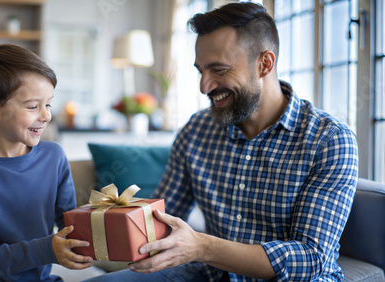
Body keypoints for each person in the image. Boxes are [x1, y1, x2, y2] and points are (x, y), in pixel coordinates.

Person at [85, 2, 358, 281]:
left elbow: (310, 259)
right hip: (211, 274)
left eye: (219, 69)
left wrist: (203, 247)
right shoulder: (196, 130)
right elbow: (164, 219)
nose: (204, 86)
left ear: (265, 63)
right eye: (200, 70)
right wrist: (100, 229)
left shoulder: (329, 140)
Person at [0, 44, 93, 281]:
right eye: (33, 106)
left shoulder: (54, 157)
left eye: (48, 104)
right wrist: (46, 249)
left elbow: (72, 227)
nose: (46, 115)